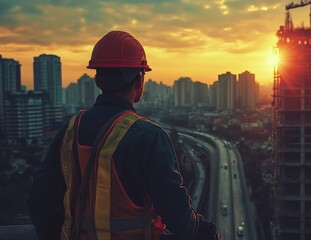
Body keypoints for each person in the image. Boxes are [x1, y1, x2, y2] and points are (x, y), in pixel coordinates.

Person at [28, 30, 220, 240]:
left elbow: (40, 201)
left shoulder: (70, 130)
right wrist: (203, 230)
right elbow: (178, 216)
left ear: (98, 80)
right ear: (139, 81)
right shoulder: (149, 136)